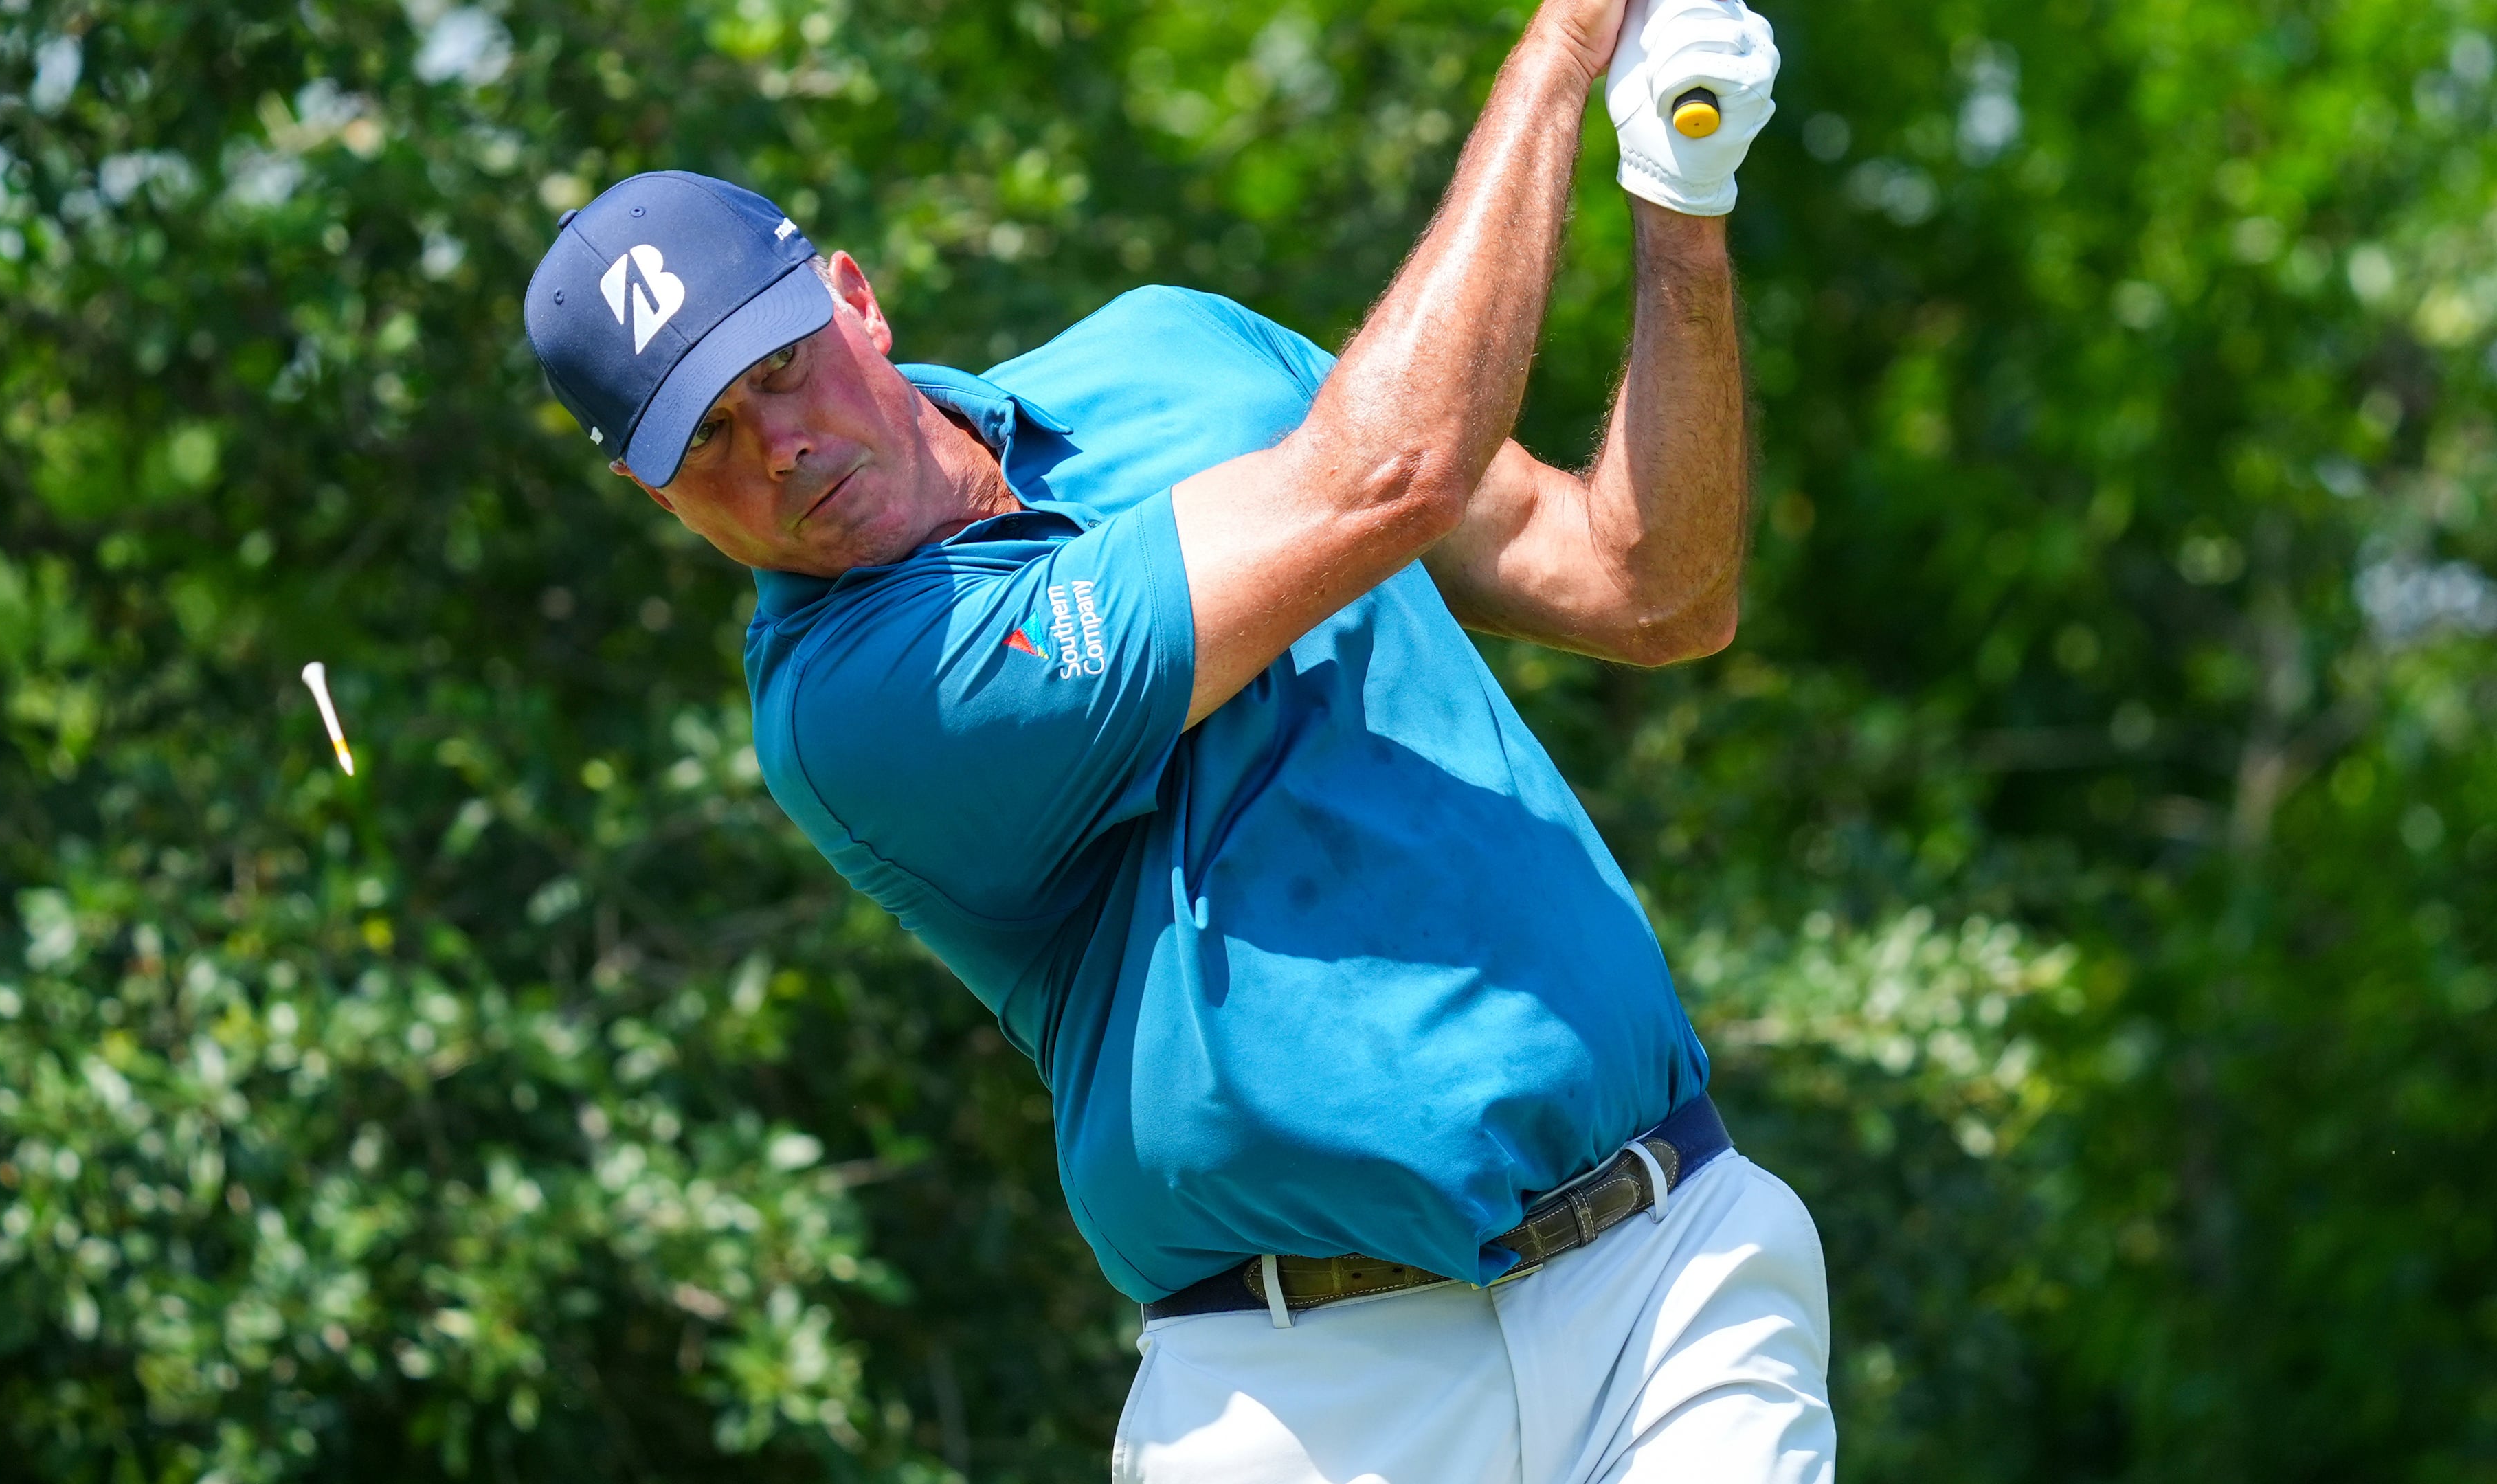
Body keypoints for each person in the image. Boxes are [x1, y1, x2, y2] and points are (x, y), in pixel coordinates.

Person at [523, 0, 1824, 1475]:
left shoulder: (1176, 349)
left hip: (1671, 1272)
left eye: (779, 367)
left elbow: (1648, 589)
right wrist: (1561, 52)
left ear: (856, 300)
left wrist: (1677, 198)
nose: (781, 445)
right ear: (655, 495)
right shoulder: (855, 703)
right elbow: (1385, 476)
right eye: (705, 437)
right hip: (1305, 1397)